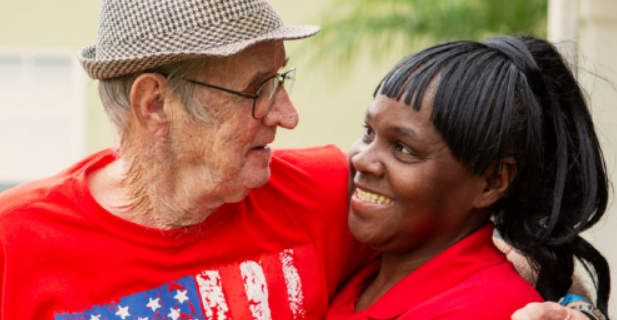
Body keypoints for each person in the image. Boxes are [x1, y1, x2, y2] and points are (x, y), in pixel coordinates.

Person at [0, 0, 598, 319]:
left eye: (281, 78)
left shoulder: (329, 189)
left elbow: (479, 234)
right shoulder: (15, 240)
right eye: (257, 88)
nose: (287, 114)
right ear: (155, 104)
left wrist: (575, 311)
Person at [325, 35, 610, 320]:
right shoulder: (367, 261)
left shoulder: (485, 309)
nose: (361, 159)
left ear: (492, 181)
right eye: (369, 132)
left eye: (403, 148)